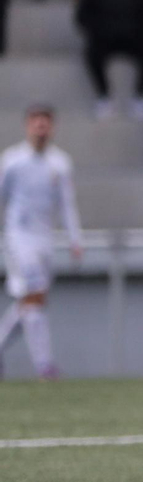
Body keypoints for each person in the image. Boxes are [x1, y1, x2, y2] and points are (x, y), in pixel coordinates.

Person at [0, 106, 83, 380]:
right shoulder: (12, 160)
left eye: (45, 124)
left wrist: (75, 238)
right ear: (27, 126)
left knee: (32, 303)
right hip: (18, 238)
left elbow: (67, 204)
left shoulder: (60, 162)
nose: (41, 129)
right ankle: (45, 366)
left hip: (45, 240)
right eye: (36, 123)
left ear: (52, 127)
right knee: (33, 297)